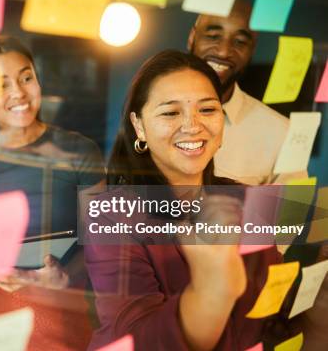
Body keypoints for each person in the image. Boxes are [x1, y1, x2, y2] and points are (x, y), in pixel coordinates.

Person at [85, 51, 289, 350]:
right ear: (139, 126)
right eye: (170, 113)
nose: (193, 126)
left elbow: (274, 312)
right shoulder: (110, 214)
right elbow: (134, 340)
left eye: (207, 109)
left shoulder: (249, 200)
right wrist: (212, 289)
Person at [0, 36, 104, 350]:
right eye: (0, 85)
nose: (18, 92)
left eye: (26, 78)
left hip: (60, 316)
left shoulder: (78, 150)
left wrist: (65, 276)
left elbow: (102, 239)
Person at [187, 0, 304, 185]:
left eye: (240, 42)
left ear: (251, 51)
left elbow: (294, 212)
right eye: (213, 36)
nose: (224, 52)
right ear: (192, 38)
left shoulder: (283, 134)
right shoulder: (150, 115)